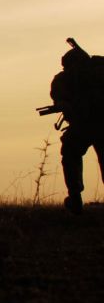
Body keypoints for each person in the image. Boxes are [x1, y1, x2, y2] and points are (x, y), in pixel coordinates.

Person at [46, 39, 104, 214]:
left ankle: (75, 195)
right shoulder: (100, 72)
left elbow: (58, 97)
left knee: (71, 156)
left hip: (81, 126)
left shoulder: (63, 78)